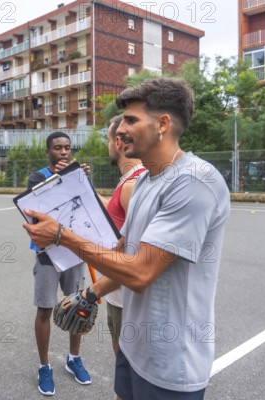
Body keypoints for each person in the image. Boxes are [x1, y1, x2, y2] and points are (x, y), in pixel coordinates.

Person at [24, 78, 230, 400]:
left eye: (131, 120)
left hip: (171, 361)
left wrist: (63, 235)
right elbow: (125, 251)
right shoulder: (147, 180)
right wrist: (92, 293)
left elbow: (139, 272)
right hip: (134, 348)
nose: (120, 131)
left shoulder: (194, 182)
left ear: (163, 124)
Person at [27, 131, 91, 396]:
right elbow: (39, 213)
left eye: (67, 148)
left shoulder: (77, 174)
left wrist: (82, 181)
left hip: (73, 249)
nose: (64, 152)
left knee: (77, 306)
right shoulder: (37, 177)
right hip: (47, 253)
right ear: (48, 152)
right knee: (45, 309)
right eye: (58, 148)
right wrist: (66, 178)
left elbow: (87, 209)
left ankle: (73, 358)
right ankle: (44, 366)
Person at [99, 114, 146, 359]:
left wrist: (93, 291)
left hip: (124, 296)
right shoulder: (133, 178)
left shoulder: (132, 184)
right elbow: (118, 215)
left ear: (118, 142)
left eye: (108, 139)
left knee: (125, 362)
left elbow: (133, 246)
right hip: (121, 292)